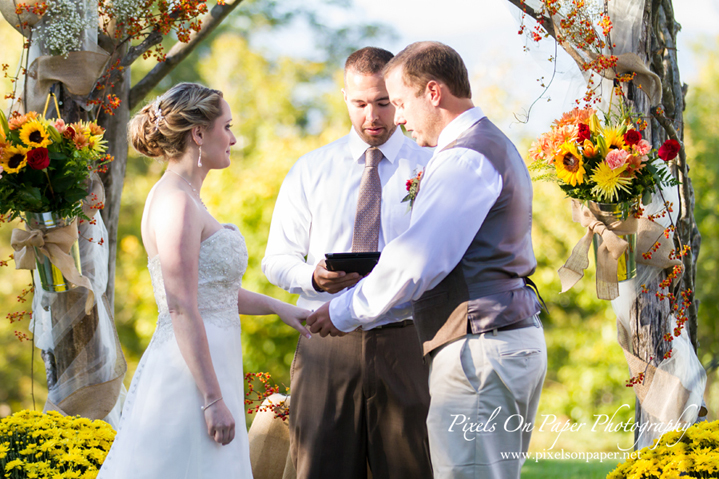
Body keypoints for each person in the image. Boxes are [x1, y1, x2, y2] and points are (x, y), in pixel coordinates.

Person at [307, 42, 548, 479]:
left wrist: (342, 311)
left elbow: (416, 262)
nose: (396, 117)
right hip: (495, 342)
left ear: (433, 92)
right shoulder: (486, 145)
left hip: (480, 352)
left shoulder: (465, 158)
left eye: (399, 102)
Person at [97, 82, 311, 479]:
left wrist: (279, 307)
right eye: (226, 126)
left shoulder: (187, 198)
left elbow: (214, 292)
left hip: (213, 363)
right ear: (198, 134)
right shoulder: (175, 202)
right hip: (189, 377)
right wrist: (212, 400)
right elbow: (181, 305)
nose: (232, 138)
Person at [262, 47, 433, 479]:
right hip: (326, 346)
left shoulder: (432, 166)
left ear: (399, 96)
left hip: (407, 342)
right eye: (359, 104)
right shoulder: (310, 170)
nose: (371, 116)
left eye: (382, 102)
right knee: (320, 470)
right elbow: (276, 260)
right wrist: (314, 278)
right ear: (344, 97)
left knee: (413, 470)